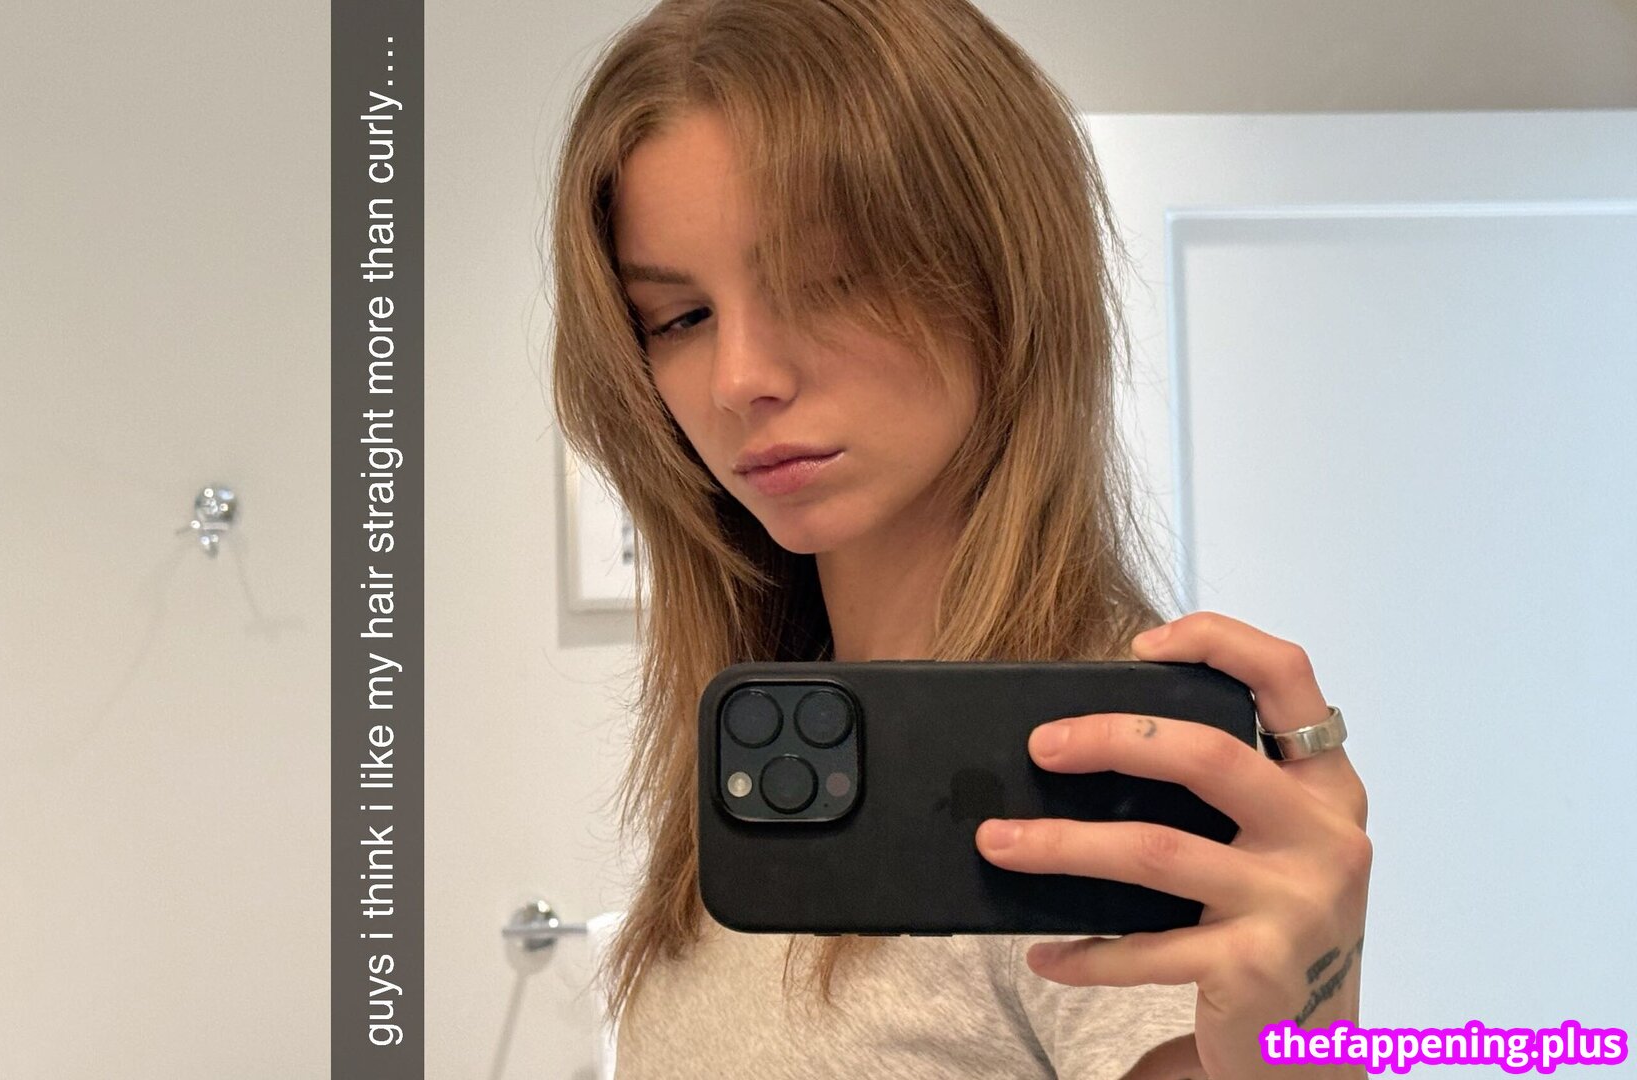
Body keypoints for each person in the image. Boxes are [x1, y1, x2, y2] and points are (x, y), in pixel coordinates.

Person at [547, 1, 1372, 1076]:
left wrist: (1305, 1039)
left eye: (825, 279)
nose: (741, 378)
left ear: (998, 270)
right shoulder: (766, 743)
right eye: (680, 318)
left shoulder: (1096, 777)